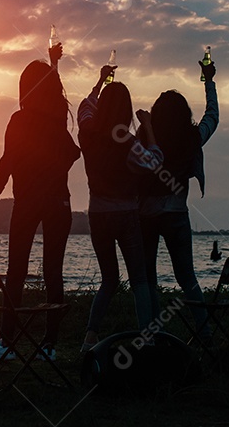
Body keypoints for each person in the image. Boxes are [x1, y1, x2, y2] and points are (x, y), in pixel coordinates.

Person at [0, 43, 80, 363]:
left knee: (16, 271)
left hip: (27, 202)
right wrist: (53, 64)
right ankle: (49, 346)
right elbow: (71, 151)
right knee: (53, 272)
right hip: (59, 203)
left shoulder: (20, 121)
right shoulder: (58, 119)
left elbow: (6, 161)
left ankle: (7, 343)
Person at [78, 64, 160, 351]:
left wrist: (100, 81)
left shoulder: (87, 135)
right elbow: (154, 162)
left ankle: (90, 336)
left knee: (109, 278)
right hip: (126, 214)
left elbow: (85, 107)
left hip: (97, 214)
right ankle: (147, 339)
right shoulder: (128, 142)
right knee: (139, 280)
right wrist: (148, 127)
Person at [139, 57, 219, 334]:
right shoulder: (192, 137)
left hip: (146, 214)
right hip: (176, 213)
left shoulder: (146, 136)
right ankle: (205, 332)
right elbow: (212, 117)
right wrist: (209, 81)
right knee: (187, 278)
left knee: (148, 278)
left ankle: (151, 334)